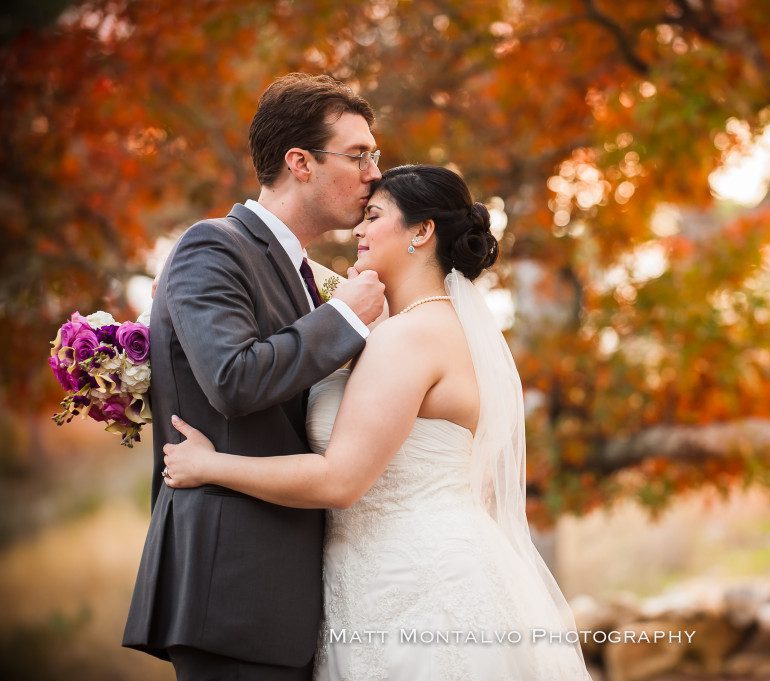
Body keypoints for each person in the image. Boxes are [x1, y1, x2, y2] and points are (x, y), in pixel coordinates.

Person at [162, 165, 593, 680]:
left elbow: (339, 480)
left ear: (421, 231)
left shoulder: (409, 338)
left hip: (415, 587)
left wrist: (211, 466)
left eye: (373, 216)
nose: (359, 230)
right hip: (392, 576)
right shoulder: (426, 328)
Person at [123, 73, 387, 681]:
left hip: (285, 595)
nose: (375, 172)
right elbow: (233, 380)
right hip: (232, 590)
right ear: (300, 162)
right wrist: (346, 317)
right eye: (358, 155)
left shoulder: (301, 273)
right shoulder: (211, 249)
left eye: (375, 155)